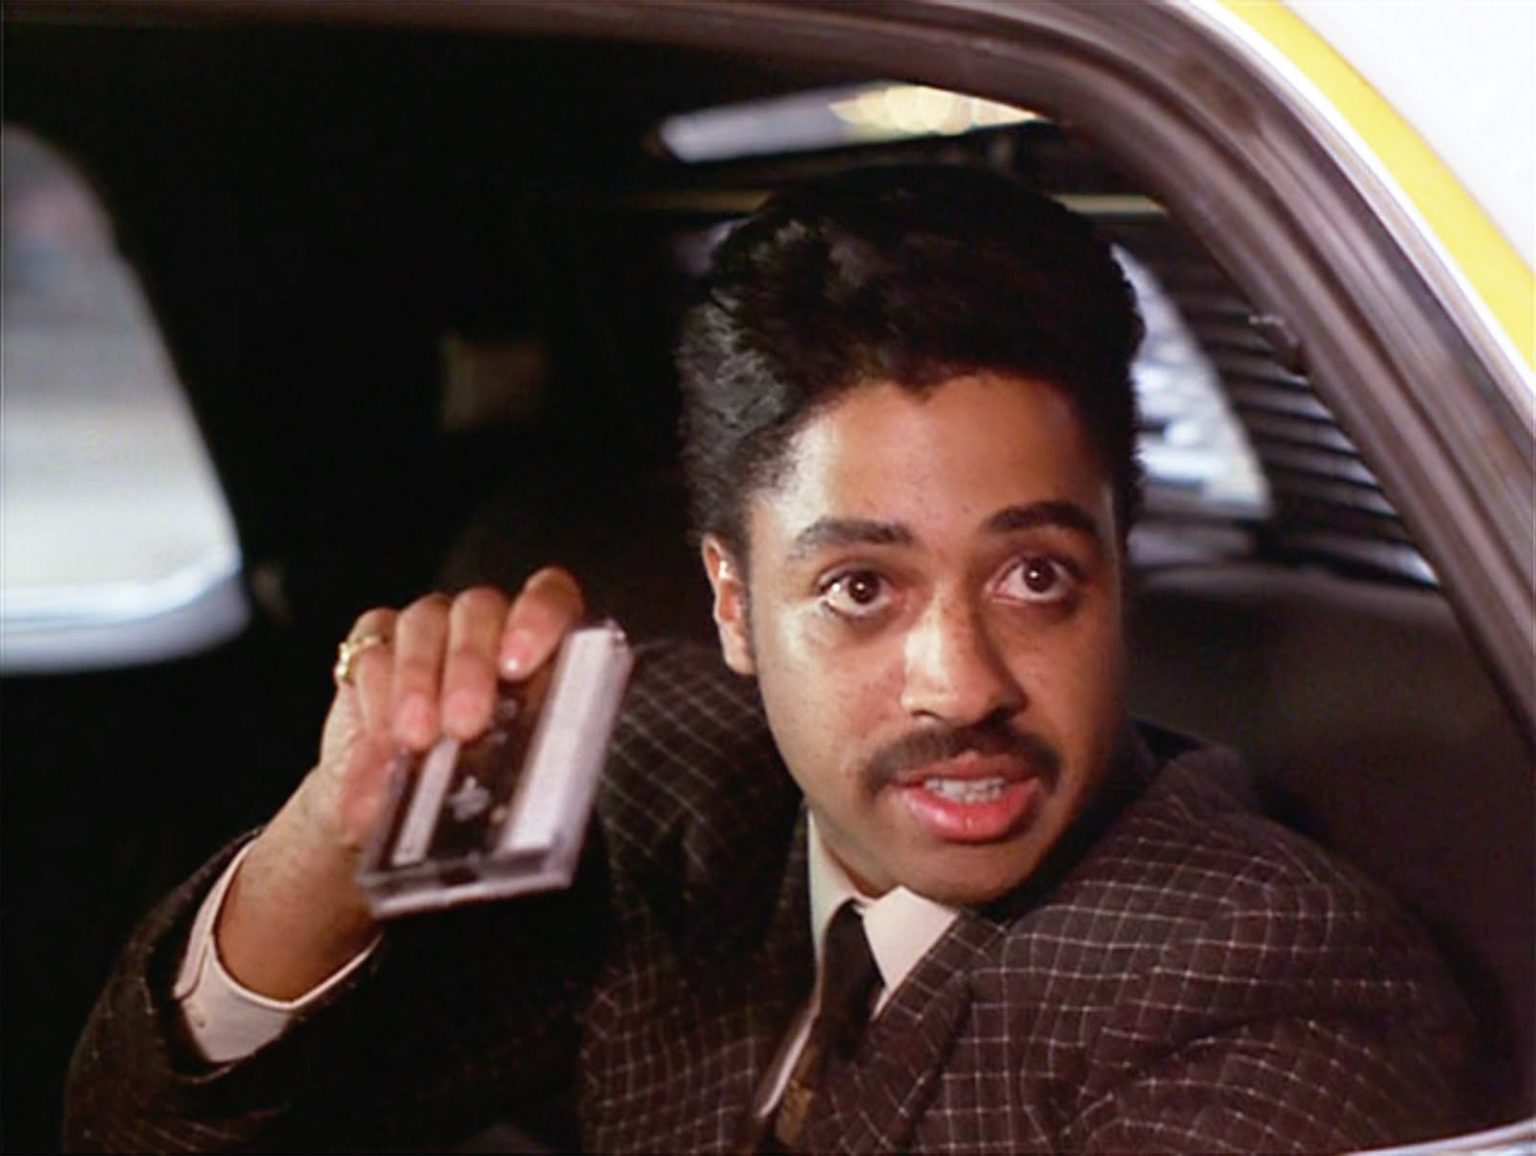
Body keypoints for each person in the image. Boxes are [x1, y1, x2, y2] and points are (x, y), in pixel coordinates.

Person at [65, 165, 1479, 1153]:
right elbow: (140, 1129)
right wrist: (332, 838)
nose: (963, 684)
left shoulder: (1265, 973)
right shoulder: (670, 776)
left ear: (1120, 572)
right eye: (861, 588)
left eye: (1037, 577)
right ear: (733, 608)